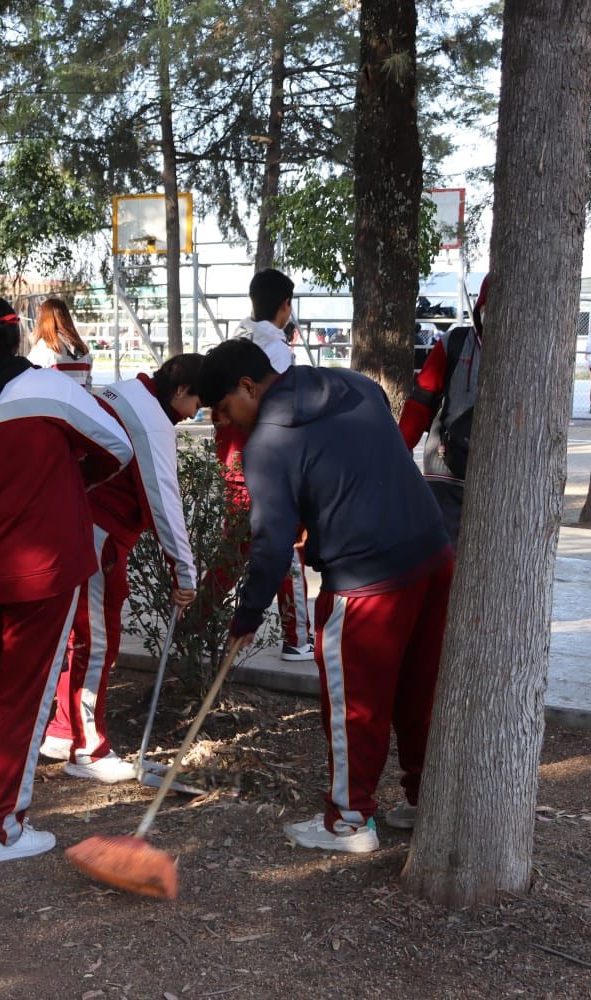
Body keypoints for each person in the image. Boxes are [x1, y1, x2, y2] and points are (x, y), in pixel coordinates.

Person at [198, 339, 453, 854]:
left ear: (249, 386)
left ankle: (348, 821)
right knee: (420, 693)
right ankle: (426, 800)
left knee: (354, 706)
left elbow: (271, 543)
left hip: (365, 581)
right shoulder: (353, 384)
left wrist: (247, 615)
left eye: (223, 409)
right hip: (434, 557)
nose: (224, 422)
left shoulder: (267, 443)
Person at [0, 295, 133, 862]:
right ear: (17, 338)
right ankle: (2, 828)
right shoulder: (51, 390)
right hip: (43, 570)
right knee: (24, 696)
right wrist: (65, 483)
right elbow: (117, 449)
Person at [40, 354, 201, 781]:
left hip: (74, 524)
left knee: (79, 636)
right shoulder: (152, 421)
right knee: (95, 640)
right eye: (197, 401)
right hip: (96, 534)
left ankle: (63, 730)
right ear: (180, 390)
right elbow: (164, 500)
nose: (197, 413)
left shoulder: (127, 391)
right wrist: (184, 574)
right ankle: (88, 750)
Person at [218, 268, 312, 660]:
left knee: (233, 552)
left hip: (232, 460)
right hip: (268, 464)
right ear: (285, 305)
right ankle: (296, 637)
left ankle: (195, 626)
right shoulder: (277, 352)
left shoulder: (233, 342)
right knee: (284, 549)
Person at [398, 275, 491, 547]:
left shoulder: (525, 353)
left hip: (496, 472)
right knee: (444, 549)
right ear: (480, 306)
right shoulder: (455, 342)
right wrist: (401, 447)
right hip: (445, 466)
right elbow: (421, 399)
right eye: (487, 307)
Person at [27, 297, 92, 390]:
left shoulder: (43, 347)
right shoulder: (83, 350)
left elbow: (28, 379)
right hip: (78, 399)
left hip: (51, 398)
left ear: (43, 320)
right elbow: (87, 388)